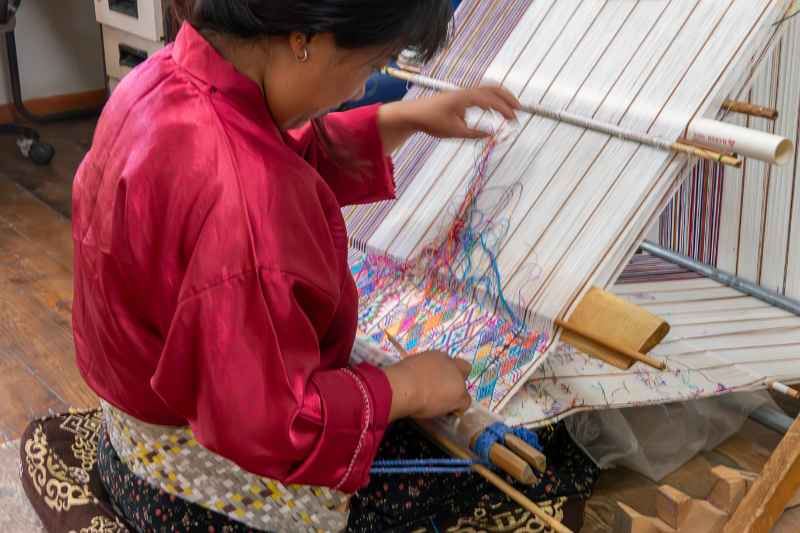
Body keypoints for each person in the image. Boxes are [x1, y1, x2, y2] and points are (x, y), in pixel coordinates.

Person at [71, 0, 519, 530]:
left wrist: (402, 118)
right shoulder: (244, 198)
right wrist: (410, 386)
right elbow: (273, 423)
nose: (359, 91)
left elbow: (266, 148)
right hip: (190, 490)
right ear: (306, 38)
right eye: (370, 68)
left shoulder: (159, 78)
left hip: (124, 444)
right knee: (488, 484)